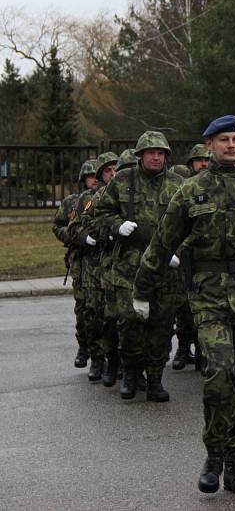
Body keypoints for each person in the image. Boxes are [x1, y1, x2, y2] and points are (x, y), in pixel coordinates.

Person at [133, 115, 235, 494]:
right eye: (224, 140)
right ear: (210, 146)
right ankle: (214, 453)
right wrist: (141, 290)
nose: (232, 145)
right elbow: (162, 243)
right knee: (220, 371)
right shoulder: (191, 192)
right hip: (210, 296)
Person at [92, 131, 184, 401]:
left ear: (166, 156)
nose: (156, 157)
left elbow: (192, 224)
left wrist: (177, 251)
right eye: (150, 152)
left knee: (162, 325)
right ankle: (131, 373)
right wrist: (116, 226)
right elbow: (100, 215)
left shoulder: (178, 184)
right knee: (129, 322)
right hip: (128, 267)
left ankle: (155, 378)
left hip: (165, 269)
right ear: (140, 155)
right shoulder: (123, 181)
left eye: (160, 153)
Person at [68, 153, 118, 381]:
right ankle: (97, 359)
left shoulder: (128, 195)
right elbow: (72, 228)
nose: (113, 174)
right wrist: (86, 237)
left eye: (116, 169)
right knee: (95, 313)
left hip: (119, 265)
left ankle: (121, 362)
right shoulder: (88, 200)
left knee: (119, 316)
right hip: (93, 265)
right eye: (108, 171)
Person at [52, 159, 98, 368]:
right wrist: (74, 237)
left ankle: (103, 354)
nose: (94, 180)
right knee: (83, 306)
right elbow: (58, 226)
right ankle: (83, 346)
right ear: (84, 179)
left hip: (102, 260)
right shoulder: (72, 202)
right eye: (91, 177)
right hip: (80, 260)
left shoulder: (108, 197)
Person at [171, 144, 211, 371]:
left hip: (205, 259)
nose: (203, 164)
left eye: (206, 160)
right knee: (184, 309)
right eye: (198, 161)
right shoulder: (184, 188)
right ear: (191, 164)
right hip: (184, 258)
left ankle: (203, 353)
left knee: (205, 310)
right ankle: (184, 348)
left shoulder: (214, 186)